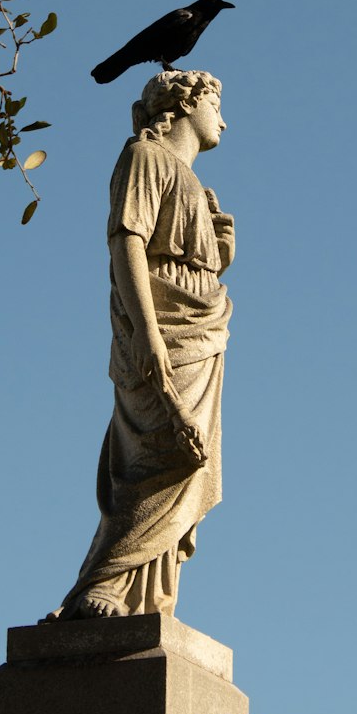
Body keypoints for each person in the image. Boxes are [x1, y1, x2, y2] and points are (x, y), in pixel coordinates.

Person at [53, 69, 235, 619]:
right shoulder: (145, 157)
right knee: (160, 454)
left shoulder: (196, 186)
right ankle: (102, 585)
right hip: (163, 332)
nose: (223, 120)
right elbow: (127, 244)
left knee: (189, 463)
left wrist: (218, 252)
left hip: (200, 329)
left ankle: (146, 595)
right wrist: (148, 336)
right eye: (216, 105)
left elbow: (183, 259)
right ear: (185, 104)